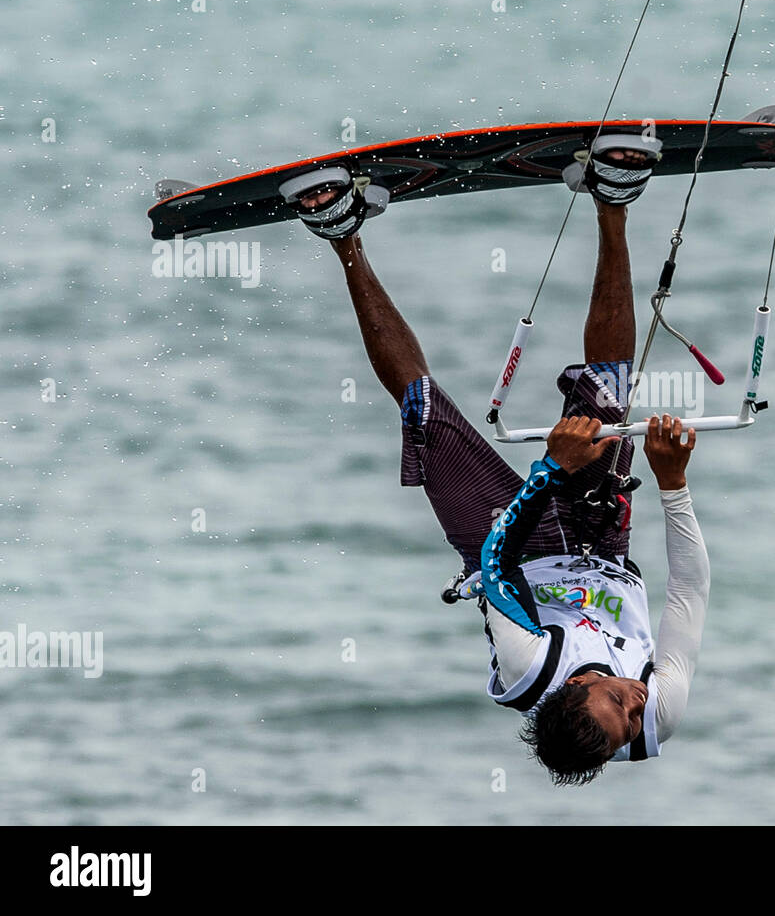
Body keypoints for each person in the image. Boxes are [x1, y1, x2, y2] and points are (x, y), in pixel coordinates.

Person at [281, 135, 712, 785]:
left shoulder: (529, 663)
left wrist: (550, 468)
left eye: (617, 703)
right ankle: (611, 198)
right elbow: (688, 590)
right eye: (631, 718)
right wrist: (673, 484)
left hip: (509, 547)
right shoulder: (660, 713)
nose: (636, 700)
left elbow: (498, 561)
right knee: (612, 387)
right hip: (602, 542)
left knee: (422, 406)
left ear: (569, 694)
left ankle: (344, 235)